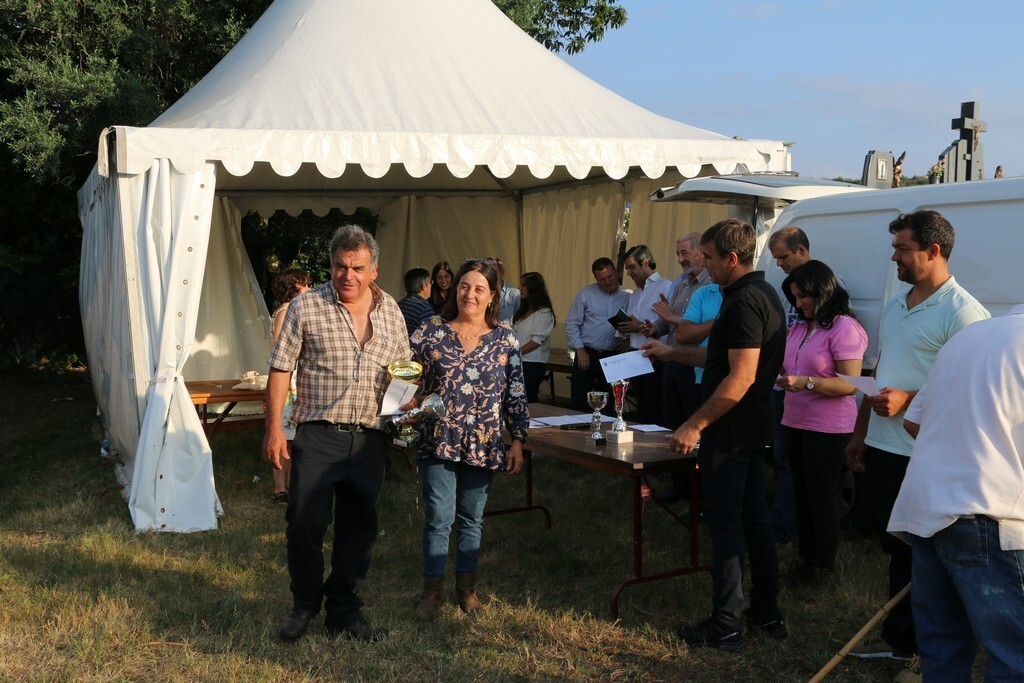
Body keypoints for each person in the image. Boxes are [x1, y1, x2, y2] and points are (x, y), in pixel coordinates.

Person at [845, 210, 989, 662]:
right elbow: (881, 372)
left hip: (925, 454)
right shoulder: (896, 304)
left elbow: (970, 390)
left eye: (902, 248)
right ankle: (902, 641)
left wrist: (908, 399)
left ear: (933, 250)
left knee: (922, 555)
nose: (894, 257)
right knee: (897, 549)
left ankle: (917, 647)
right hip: (884, 447)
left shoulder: (963, 313)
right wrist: (860, 433)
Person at [643, 218, 787, 652]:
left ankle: (726, 623)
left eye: (708, 257)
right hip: (749, 427)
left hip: (731, 431)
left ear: (732, 257)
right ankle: (766, 611)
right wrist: (672, 352)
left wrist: (695, 423)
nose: (703, 264)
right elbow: (720, 357)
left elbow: (740, 377)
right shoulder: (759, 294)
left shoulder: (744, 301)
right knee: (754, 521)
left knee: (726, 525)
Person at [263, 225, 412, 642]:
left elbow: (403, 372)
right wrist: (274, 428)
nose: (349, 275)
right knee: (303, 523)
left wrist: (405, 408)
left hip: (370, 438)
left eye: (358, 268)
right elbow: (280, 369)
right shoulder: (306, 306)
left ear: (374, 269)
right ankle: (304, 603)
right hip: (318, 434)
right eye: (341, 266)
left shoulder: (392, 311)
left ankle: (344, 611)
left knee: (359, 527)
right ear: (331, 266)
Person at [887, 305, 1024, 681]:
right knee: (1016, 658)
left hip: (927, 506)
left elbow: (914, 421)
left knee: (943, 651)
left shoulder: (968, 336)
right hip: (990, 513)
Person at [409, 259, 529, 621]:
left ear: (492, 295)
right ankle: (431, 592)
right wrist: (403, 407)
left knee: (472, 518)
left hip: (484, 440)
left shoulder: (505, 337)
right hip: (438, 438)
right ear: (454, 288)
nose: (469, 294)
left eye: (479, 288)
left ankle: (467, 590)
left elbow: (516, 391)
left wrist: (518, 439)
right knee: (438, 518)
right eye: (464, 286)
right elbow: (405, 379)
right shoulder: (430, 330)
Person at [774, 261, 866, 591]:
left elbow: (850, 385)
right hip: (794, 421)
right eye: (795, 298)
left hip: (828, 429)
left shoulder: (844, 327)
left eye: (803, 296)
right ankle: (806, 561)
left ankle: (824, 569)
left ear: (821, 291)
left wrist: (807, 382)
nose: (799, 304)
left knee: (822, 497)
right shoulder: (802, 327)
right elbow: (789, 365)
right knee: (801, 494)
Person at [765, 226, 814, 552]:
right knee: (781, 456)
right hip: (781, 383)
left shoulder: (824, 284)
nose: (779, 263)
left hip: (803, 388)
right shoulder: (786, 289)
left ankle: (783, 530)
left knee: (790, 461)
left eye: (783, 257)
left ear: (801, 250)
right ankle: (782, 525)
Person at [641, 232, 711, 431]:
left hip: (695, 363)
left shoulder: (711, 285)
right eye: (677, 254)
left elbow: (707, 326)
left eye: (684, 253)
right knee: (670, 420)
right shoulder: (680, 283)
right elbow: (668, 321)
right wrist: (654, 327)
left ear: (701, 252)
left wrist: (670, 316)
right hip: (672, 360)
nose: (680, 260)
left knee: (692, 420)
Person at [268, 267, 312, 506]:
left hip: (294, 382)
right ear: (294, 287)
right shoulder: (286, 311)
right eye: (305, 283)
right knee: (284, 438)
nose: (309, 288)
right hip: (289, 384)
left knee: (293, 439)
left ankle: (291, 485)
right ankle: (280, 488)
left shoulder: (289, 309)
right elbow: (280, 348)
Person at [564, 257, 632, 413]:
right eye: (602, 279)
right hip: (587, 353)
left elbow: (635, 322)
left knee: (610, 403)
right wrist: (580, 350)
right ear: (596, 279)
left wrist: (628, 340)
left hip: (613, 355)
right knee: (580, 400)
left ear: (616, 272)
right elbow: (572, 324)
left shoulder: (628, 296)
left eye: (610, 276)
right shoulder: (586, 294)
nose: (607, 281)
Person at [617, 244, 673, 425]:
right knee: (641, 407)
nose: (628, 272)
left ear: (646, 263)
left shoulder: (666, 287)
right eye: (627, 268)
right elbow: (633, 323)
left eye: (632, 267)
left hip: (656, 358)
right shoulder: (634, 294)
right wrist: (626, 329)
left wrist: (638, 326)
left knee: (655, 407)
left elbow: (669, 325)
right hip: (636, 355)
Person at [512, 271, 555, 403]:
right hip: (518, 360)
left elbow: (536, 341)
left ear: (533, 288)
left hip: (532, 363)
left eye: (523, 285)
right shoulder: (523, 310)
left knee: (528, 399)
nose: (519, 288)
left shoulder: (544, 312)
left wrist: (515, 353)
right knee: (515, 398)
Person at [398, 267, 434, 336]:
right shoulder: (425, 308)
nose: (431, 286)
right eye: (430, 282)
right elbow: (434, 334)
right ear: (424, 286)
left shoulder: (398, 305)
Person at [487, 256, 522, 322]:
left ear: (502, 272)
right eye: (488, 274)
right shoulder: (481, 294)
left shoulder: (515, 295)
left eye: (494, 273)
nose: (491, 277)